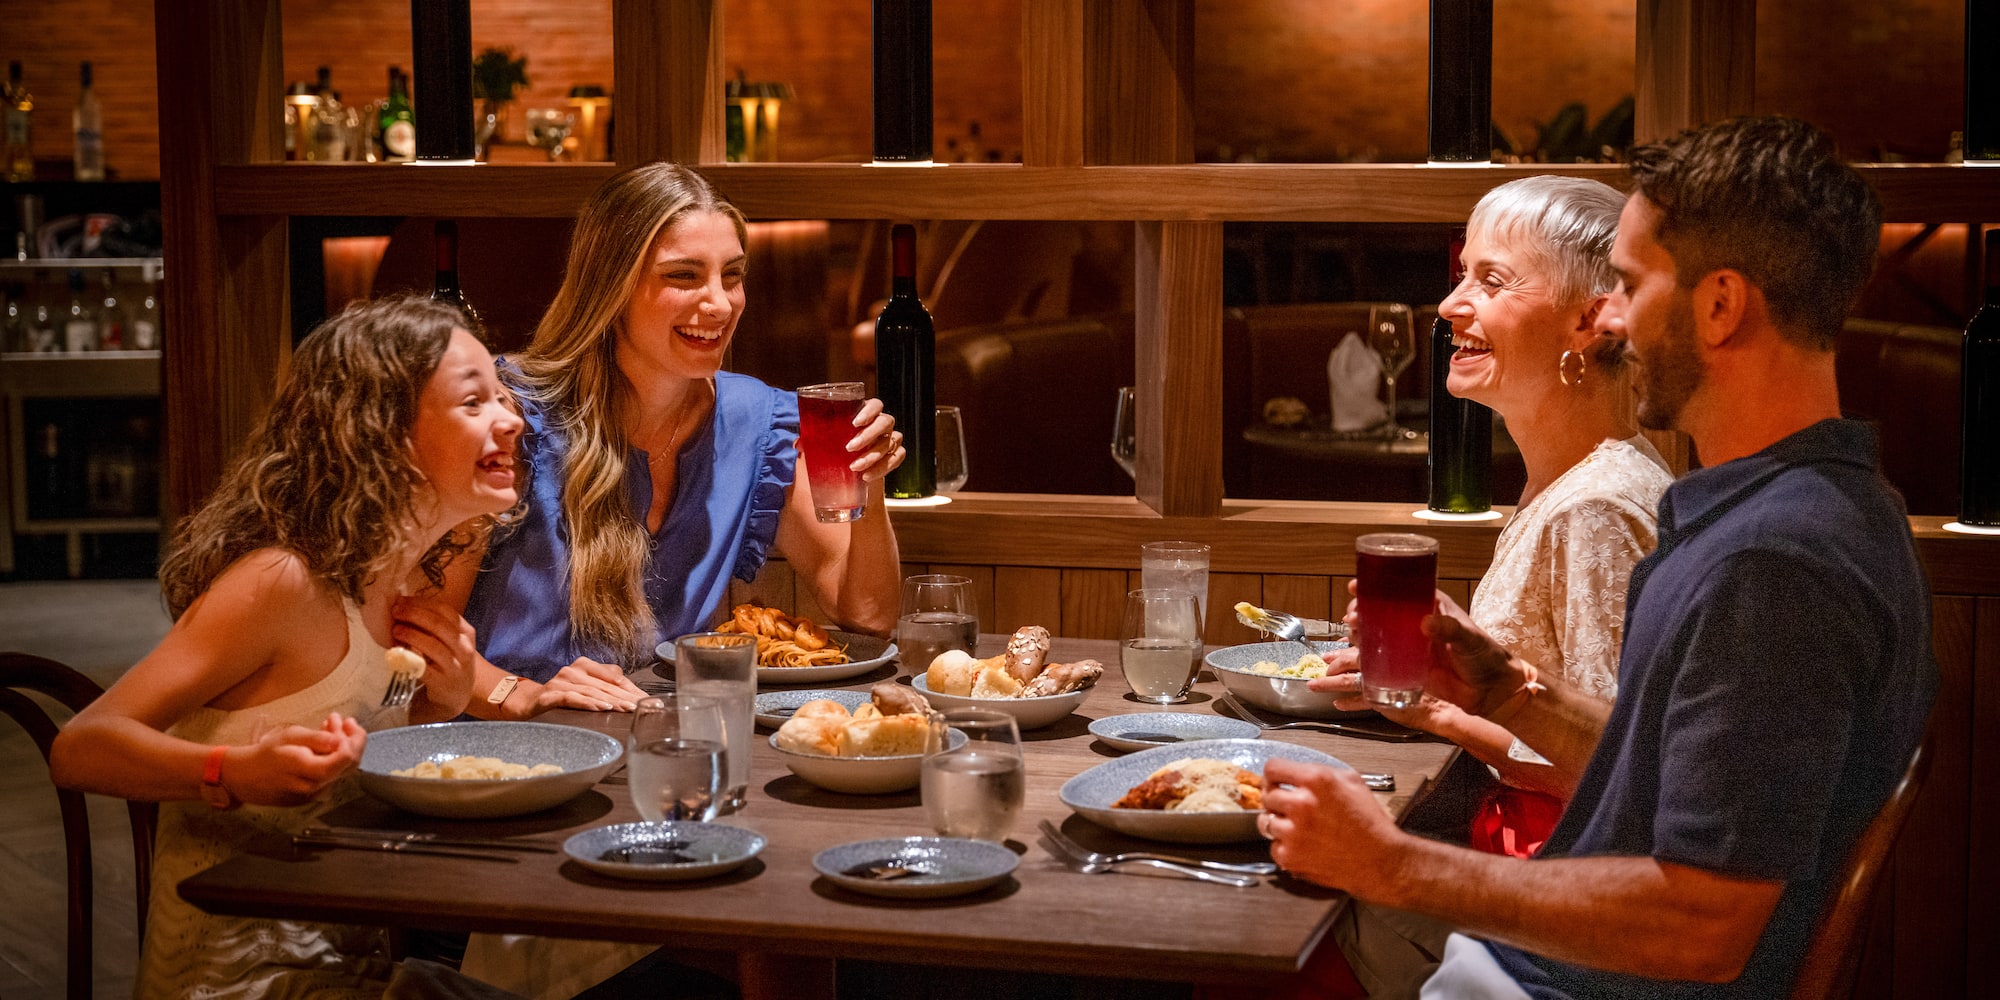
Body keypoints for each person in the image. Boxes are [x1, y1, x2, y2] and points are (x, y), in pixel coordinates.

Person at [1259, 115, 1937, 999]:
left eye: (1626, 283)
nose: (1608, 319)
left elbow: (1703, 927)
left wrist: (1394, 866)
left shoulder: (1775, 565)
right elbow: (1664, 774)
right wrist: (1506, 691)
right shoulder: (1793, 507)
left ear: (1720, 306)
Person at [49, 295, 526, 999]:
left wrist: (439, 705)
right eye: (474, 401)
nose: (511, 418)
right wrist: (231, 771)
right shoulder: (285, 582)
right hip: (235, 979)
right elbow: (80, 746)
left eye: (502, 396)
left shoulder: (397, 581)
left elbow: (356, 742)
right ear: (384, 432)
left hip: (352, 963)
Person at [423, 163, 904, 718]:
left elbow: (866, 615)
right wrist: (522, 695)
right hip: (497, 759)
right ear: (612, 287)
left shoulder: (759, 421)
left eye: (732, 275)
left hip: (661, 745)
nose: (720, 304)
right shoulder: (511, 418)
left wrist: (869, 491)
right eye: (684, 276)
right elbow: (421, 628)